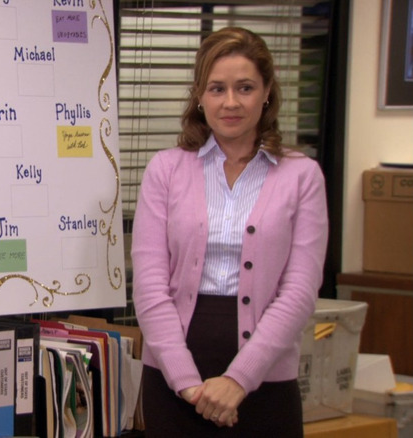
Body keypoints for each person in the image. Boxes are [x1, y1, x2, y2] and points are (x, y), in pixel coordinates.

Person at [131, 27, 328, 437]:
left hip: (266, 376)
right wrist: (186, 382)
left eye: (245, 87)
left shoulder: (302, 176)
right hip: (174, 376)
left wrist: (239, 379)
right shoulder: (165, 171)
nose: (231, 102)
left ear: (267, 92)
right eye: (217, 89)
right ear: (199, 96)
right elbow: (149, 286)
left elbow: (299, 291)